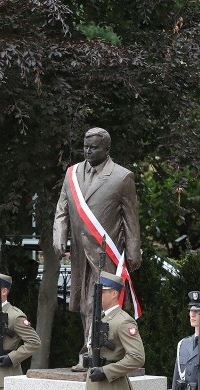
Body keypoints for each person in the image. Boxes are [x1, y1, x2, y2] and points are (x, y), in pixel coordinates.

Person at [53, 127, 142, 370]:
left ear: (107, 149)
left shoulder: (122, 177)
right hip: (81, 253)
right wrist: (59, 235)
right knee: (84, 304)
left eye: (94, 147)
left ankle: (93, 352)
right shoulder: (72, 174)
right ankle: (95, 350)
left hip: (107, 252)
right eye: (85, 146)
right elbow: (62, 209)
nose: (88, 150)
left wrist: (134, 251)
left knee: (99, 302)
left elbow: (130, 219)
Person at [83, 271, 145, 390]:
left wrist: (106, 371)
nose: (98, 296)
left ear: (114, 294)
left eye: (102, 292)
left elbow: (137, 357)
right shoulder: (100, 318)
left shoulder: (123, 321)